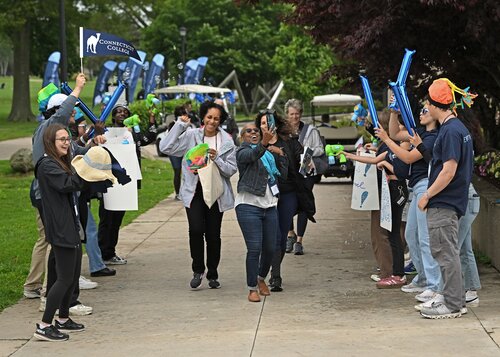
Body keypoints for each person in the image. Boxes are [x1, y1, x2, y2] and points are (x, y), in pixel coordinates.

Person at [34, 124, 116, 341]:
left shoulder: (60, 161)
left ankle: (62, 318)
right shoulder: (47, 165)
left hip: (71, 225)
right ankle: (43, 326)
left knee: (66, 277)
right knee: (64, 279)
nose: (65, 142)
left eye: (67, 138)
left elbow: (78, 185)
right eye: (60, 139)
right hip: (61, 229)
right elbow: (69, 184)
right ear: (50, 142)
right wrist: (92, 170)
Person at [31, 74, 98, 316]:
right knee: (60, 246)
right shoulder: (48, 128)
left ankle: (60, 302)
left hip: (60, 195)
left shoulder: (57, 135)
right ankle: (57, 302)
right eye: (71, 113)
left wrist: (93, 143)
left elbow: (77, 150)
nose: (73, 117)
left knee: (63, 247)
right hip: (51, 195)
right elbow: (62, 116)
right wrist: (78, 88)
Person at [160, 101, 237, 289]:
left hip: (216, 192)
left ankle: (212, 272)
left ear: (221, 121)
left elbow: (231, 170)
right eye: (209, 117)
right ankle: (197, 270)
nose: (212, 121)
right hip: (194, 191)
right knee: (195, 230)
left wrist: (216, 158)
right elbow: (166, 147)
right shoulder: (191, 135)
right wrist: (180, 125)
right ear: (203, 117)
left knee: (213, 235)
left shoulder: (226, 140)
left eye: (216, 118)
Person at [418, 78, 476, 319]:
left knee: (445, 252)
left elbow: (449, 170)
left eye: (427, 103)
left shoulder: (450, 131)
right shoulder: (458, 129)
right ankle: (454, 298)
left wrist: (427, 195)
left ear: (433, 104)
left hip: (444, 202)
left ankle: (452, 304)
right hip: (451, 201)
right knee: (448, 252)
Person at [375, 104, 442, 301]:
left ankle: (434, 284)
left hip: (425, 186)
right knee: (412, 236)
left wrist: (386, 140)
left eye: (425, 110)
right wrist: (395, 112)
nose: (421, 113)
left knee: (425, 238)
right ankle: (422, 278)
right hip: (416, 187)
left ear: (435, 115)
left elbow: (407, 156)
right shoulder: (420, 132)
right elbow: (395, 133)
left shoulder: (432, 138)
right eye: (420, 109)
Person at [98, 104, 157, 264]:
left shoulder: (133, 134)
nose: (122, 114)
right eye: (118, 112)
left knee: (117, 219)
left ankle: (110, 252)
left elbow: (149, 138)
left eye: (125, 112)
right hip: (109, 182)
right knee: (106, 218)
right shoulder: (106, 132)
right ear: (113, 116)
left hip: (126, 183)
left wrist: (152, 118)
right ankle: (102, 253)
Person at [235, 120, 287, 302]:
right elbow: (251, 156)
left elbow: (282, 174)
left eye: (256, 130)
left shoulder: (268, 155)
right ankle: (251, 288)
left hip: (270, 205)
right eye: (248, 131)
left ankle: (260, 278)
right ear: (243, 137)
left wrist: (281, 155)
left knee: (271, 248)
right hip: (248, 206)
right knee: (254, 248)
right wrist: (264, 144)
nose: (253, 133)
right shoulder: (242, 151)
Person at [263, 109, 310, 292]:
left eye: (268, 123)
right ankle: (271, 273)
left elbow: (303, 157)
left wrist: (308, 162)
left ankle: (275, 273)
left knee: (281, 238)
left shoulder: (289, 142)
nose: (266, 126)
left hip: (287, 193)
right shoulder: (257, 144)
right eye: (262, 124)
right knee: (270, 238)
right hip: (264, 195)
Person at [286, 99, 324, 255]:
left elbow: (320, 149)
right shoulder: (283, 131)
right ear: (287, 115)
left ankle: (299, 241)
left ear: (301, 114)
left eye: (297, 114)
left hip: (306, 172)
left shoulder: (310, 131)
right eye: (291, 114)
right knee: (287, 202)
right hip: (288, 173)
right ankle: (290, 234)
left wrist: (307, 153)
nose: (294, 117)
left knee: (303, 203)